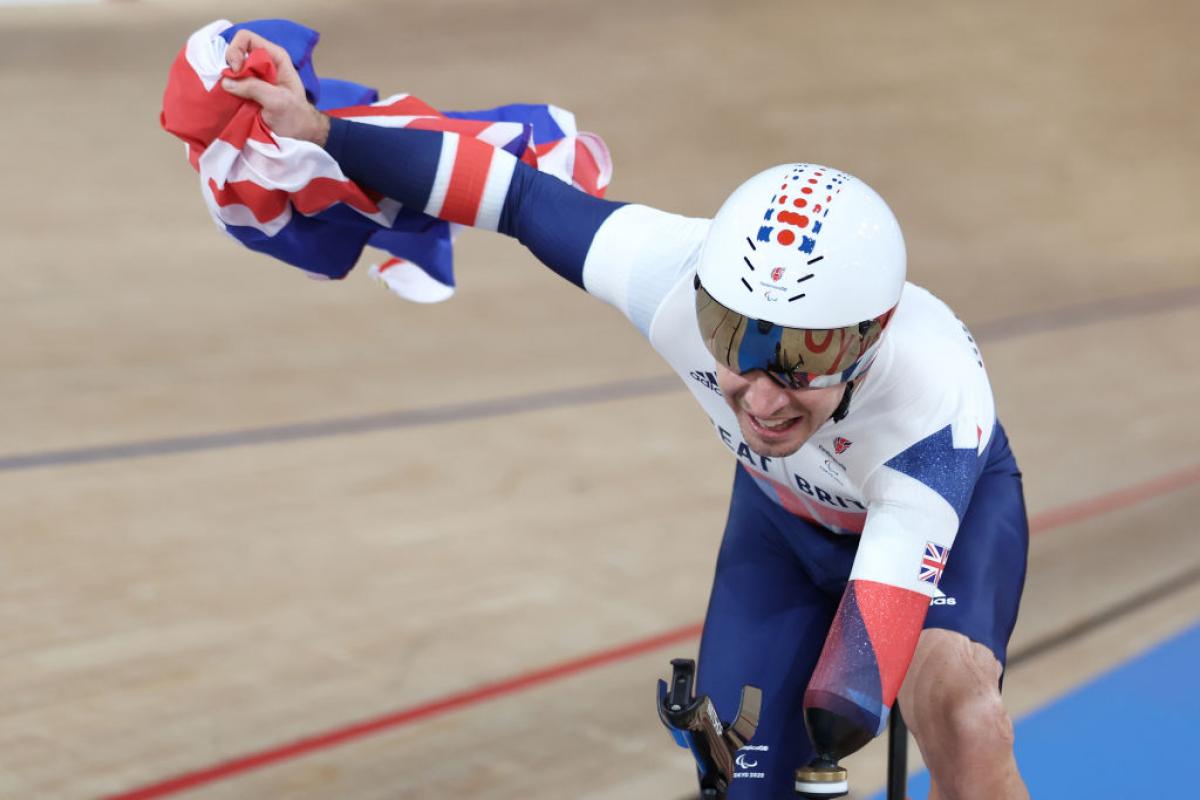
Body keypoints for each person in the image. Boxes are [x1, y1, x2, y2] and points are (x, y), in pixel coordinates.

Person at [219, 30, 1031, 800]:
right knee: (740, 770)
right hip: (783, 520)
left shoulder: (930, 394)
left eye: (804, 359)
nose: (762, 395)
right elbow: (511, 192)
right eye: (733, 341)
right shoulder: (666, 272)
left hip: (941, 527)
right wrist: (322, 128)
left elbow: (855, 681)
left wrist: (829, 734)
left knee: (956, 715)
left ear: (870, 339)